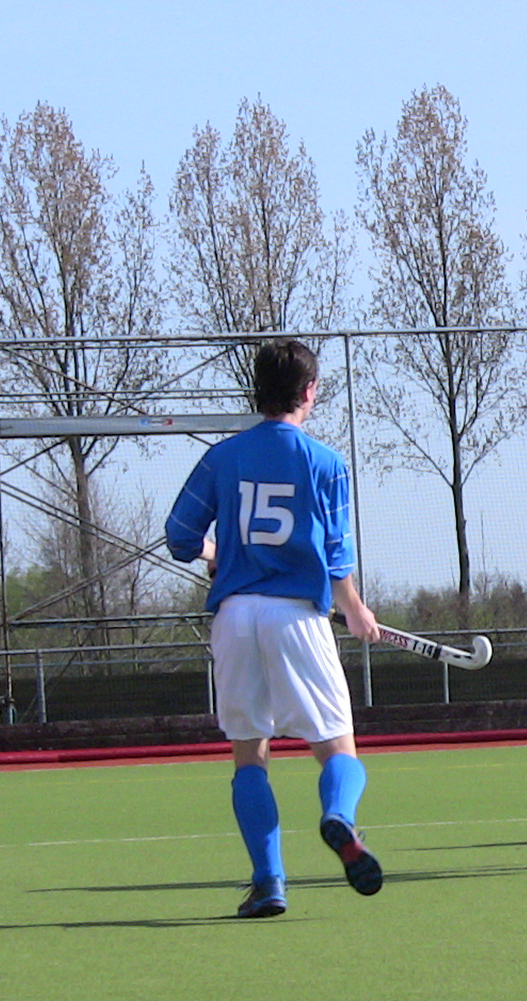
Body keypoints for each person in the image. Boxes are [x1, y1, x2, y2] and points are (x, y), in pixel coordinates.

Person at [165, 338, 386, 917]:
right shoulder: (327, 462)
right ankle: (338, 816)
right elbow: (336, 553)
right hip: (297, 615)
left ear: (256, 390)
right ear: (310, 391)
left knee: (249, 753)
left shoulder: (222, 457)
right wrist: (357, 609)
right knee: (337, 745)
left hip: (236, 616)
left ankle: (268, 882)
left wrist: (215, 548)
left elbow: (179, 536)